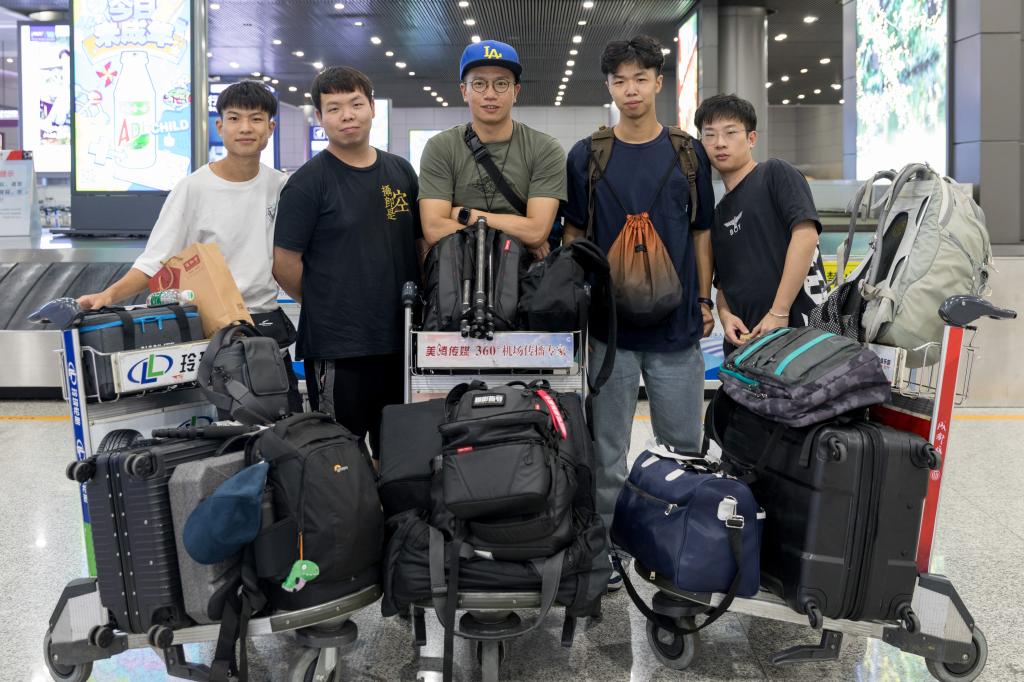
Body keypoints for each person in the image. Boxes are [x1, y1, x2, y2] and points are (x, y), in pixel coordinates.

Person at [562, 36, 715, 590]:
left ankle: (678, 554)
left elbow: (701, 232)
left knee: (684, 450)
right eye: (620, 80)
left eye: (641, 78)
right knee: (607, 453)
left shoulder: (687, 153)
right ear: (608, 86)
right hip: (610, 333)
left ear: (658, 83)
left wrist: (704, 298)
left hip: (677, 330)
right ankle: (606, 552)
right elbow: (574, 235)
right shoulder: (588, 154)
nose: (631, 89)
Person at [77, 80, 300, 411]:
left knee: (284, 421)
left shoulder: (281, 186)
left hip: (266, 326)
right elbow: (155, 261)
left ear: (270, 128)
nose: (245, 128)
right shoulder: (193, 188)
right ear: (220, 127)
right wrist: (108, 296)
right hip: (212, 329)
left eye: (256, 119)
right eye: (235, 118)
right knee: (225, 427)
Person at [273, 66, 420, 460]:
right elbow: (284, 263)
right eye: (334, 108)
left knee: (399, 454)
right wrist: (327, 302)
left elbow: (418, 245)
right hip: (340, 347)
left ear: (372, 107)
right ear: (320, 118)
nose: (347, 115)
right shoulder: (308, 182)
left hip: (400, 341)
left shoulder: (401, 171)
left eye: (355, 104)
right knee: (341, 458)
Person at [694, 93, 827, 355]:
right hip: (745, 345)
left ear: (751, 139)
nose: (720, 143)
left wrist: (779, 312)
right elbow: (724, 285)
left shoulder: (774, 174)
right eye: (709, 135)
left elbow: (806, 236)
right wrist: (725, 315)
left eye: (730, 132)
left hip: (797, 334)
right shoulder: (717, 215)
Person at [418, 39, 565, 256]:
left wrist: (464, 214)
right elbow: (433, 229)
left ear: (516, 91)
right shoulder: (441, 148)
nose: (490, 94)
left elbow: (535, 232)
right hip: (457, 270)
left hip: (524, 273)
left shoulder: (544, 149)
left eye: (501, 83)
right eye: (479, 84)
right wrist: (518, 233)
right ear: (464, 91)